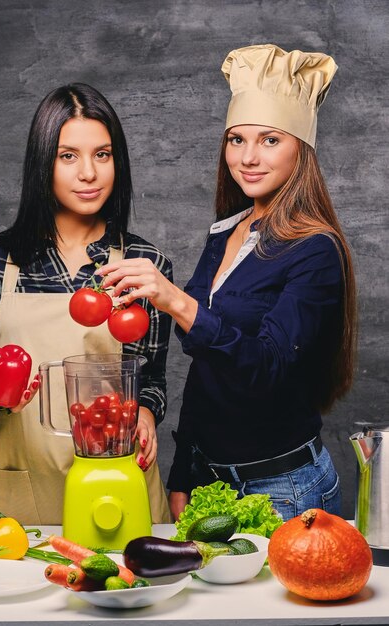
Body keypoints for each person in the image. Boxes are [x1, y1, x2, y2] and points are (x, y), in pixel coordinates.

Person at [96, 44, 357, 522]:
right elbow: (208, 369)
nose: (249, 157)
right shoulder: (226, 232)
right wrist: (184, 472)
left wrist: (175, 300)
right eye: (237, 139)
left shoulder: (316, 250)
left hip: (284, 490)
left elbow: (267, 367)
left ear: (302, 148)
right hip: (210, 482)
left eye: (270, 140)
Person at [0, 83, 173, 525]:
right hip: (24, 490)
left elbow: (152, 380)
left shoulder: (145, 264)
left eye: (102, 155)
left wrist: (145, 411)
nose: (88, 173)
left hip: (118, 482)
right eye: (68, 156)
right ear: (42, 163)